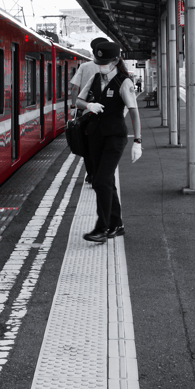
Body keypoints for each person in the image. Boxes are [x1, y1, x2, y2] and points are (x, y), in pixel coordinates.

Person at [73, 40, 142, 243]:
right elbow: (77, 100)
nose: (101, 65)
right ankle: (117, 224)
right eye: (99, 61)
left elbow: (134, 113)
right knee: (106, 181)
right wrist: (89, 105)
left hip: (114, 137)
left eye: (105, 62)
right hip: (94, 136)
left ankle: (102, 228)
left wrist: (137, 141)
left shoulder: (124, 82)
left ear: (116, 61)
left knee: (101, 180)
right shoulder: (94, 78)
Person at [69, 37, 109, 183]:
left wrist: (74, 106)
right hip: (107, 114)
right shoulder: (113, 67)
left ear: (93, 51)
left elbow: (74, 87)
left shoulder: (85, 67)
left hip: (87, 113)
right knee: (105, 145)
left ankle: (91, 173)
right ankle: (101, 172)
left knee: (88, 144)